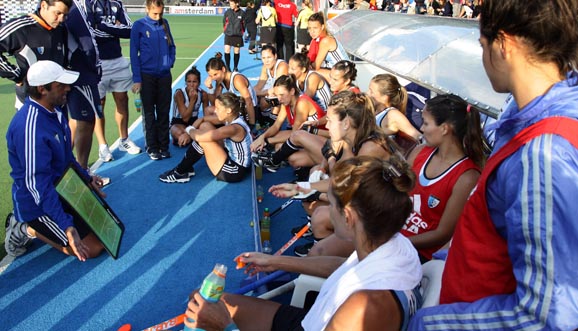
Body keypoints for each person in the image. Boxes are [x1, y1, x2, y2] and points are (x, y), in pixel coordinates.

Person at [409, 0, 578, 329]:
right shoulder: (527, 116)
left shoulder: (542, 154)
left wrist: (428, 323)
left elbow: (544, 317)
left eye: (483, 45)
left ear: (504, 45)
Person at [184, 155, 422, 331]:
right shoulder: (395, 246)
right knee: (206, 301)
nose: (327, 211)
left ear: (348, 217)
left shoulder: (365, 307)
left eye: (331, 205)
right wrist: (276, 261)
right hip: (313, 322)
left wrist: (225, 326)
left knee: (203, 317)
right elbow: (344, 268)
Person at [5, 61, 106, 261]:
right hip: (36, 202)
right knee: (91, 248)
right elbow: (37, 186)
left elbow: (67, 157)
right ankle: (25, 227)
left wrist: (86, 179)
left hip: (60, 189)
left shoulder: (55, 112)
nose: (68, 88)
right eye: (61, 85)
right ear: (42, 89)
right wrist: (66, 224)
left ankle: (54, 221)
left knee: (103, 228)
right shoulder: (30, 128)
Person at [400, 94, 484, 263]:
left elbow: (442, 233)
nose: (422, 129)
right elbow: (398, 193)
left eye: (426, 123)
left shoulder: (467, 177)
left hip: (420, 254)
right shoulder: (420, 152)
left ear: (445, 128)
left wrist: (398, 244)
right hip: (394, 235)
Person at [159, 92, 252, 183]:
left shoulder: (233, 128)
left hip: (235, 171)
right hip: (233, 158)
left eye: (218, 108)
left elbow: (200, 137)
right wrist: (188, 133)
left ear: (228, 110)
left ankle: (180, 172)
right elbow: (202, 119)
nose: (215, 111)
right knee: (205, 126)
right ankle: (187, 168)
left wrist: (188, 131)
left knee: (203, 140)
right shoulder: (233, 117)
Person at [90, 0, 142, 161]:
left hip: (117, 60)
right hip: (97, 61)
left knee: (122, 100)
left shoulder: (116, 3)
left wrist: (104, 27)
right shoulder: (89, 3)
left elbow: (130, 30)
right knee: (99, 104)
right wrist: (115, 29)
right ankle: (103, 146)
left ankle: (124, 139)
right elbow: (90, 30)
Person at [0, 0, 71, 110]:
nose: (61, 19)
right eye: (57, 13)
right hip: (30, 103)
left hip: (58, 103)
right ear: (43, 5)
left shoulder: (61, 28)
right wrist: (16, 76)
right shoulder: (21, 27)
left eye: (65, 15)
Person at [130, 0, 176, 161]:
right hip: (146, 76)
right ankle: (152, 146)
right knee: (149, 113)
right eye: (154, 13)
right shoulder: (139, 26)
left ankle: (164, 146)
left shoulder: (165, 23)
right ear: (147, 9)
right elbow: (133, 53)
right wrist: (137, 79)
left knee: (163, 112)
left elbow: (172, 46)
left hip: (164, 76)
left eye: (161, 13)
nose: (158, 17)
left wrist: (169, 62)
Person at [65, 0, 104, 171]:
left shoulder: (69, 8)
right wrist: (95, 69)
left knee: (72, 120)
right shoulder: (74, 9)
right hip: (81, 75)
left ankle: (70, 168)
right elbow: (88, 44)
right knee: (86, 121)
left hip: (66, 74)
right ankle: (82, 172)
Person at [250, 74, 327, 156]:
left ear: (292, 91)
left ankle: (301, 164)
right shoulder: (286, 103)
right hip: (308, 136)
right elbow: (276, 126)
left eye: (282, 95)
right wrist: (262, 137)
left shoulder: (302, 103)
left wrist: (266, 141)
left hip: (322, 139)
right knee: (277, 137)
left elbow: (294, 134)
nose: (279, 99)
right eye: (277, 95)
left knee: (280, 147)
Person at [204, 53, 257, 128]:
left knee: (205, 120)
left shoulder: (237, 80)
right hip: (236, 109)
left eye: (215, 74)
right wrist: (210, 89)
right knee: (208, 110)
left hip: (248, 112)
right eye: (210, 75)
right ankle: (215, 133)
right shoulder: (220, 80)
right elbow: (215, 103)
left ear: (223, 69)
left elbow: (249, 102)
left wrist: (252, 125)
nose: (213, 78)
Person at [367, 73, 422, 141]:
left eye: (371, 91)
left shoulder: (393, 115)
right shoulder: (374, 110)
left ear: (385, 97)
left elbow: (419, 137)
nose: (367, 93)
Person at [170, 67, 210, 147]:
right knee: (180, 134)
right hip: (179, 122)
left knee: (207, 128)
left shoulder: (203, 94)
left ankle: (190, 137)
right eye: (189, 82)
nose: (191, 85)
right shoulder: (179, 94)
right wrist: (192, 101)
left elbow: (207, 115)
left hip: (193, 123)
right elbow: (185, 118)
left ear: (199, 83)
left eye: (194, 82)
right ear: (186, 82)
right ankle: (192, 137)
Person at [306, 12, 349, 83]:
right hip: (335, 72)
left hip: (345, 73)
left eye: (315, 28)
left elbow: (316, 66)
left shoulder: (326, 41)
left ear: (322, 27)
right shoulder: (315, 40)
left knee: (311, 73)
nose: (312, 31)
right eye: (309, 28)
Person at [252, 45, 288, 123]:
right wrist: (251, 94)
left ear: (275, 56)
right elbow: (259, 85)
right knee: (251, 99)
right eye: (264, 58)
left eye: (269, 57)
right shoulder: (265, 67)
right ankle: (263, 121)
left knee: (267, 102)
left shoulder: (282, 66)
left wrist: (259, 93)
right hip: (274, 93)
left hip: (285, 95)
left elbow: (277, 90)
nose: (266, 61)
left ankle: (273, 121)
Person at [223, 0, 245, 72]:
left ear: (237, 4)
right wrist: (226, 30)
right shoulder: (227, 12)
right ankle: (227, 67)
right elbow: (224, 22)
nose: (231, 5)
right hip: (228, 34)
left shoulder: (242, 13)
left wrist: (241, 32)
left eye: (232, 4)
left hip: (237, 35)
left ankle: (235, 67)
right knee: (227, 50)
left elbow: (244, 24)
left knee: (236, 51)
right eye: (230, 4)